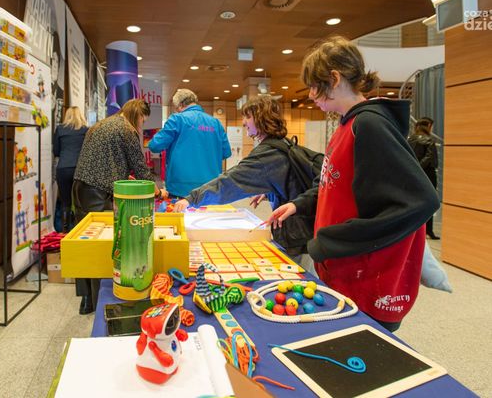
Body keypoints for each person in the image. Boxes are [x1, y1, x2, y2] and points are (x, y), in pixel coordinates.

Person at [267, 36, 440, 332]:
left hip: (368, 277)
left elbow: (421, 201)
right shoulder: (346, 124)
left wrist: (331, 241)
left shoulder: (370, 125)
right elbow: (332, 183)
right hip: (345, 270)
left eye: (314, 86)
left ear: (334, 79)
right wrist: (298, 204)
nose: (311, 95)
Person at [173, 95, 319, 261]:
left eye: (248, 117)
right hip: (303, 229)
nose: (243, 122)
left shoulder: (267, 154)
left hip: (296, 236)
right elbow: (288, 179)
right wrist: (270, 191)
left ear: (261, 118)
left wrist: (192, 198)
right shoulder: (282, 144)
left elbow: (230, 182)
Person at [72, 99, 167, 314]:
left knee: (85, 246)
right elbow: (141, 170)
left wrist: (124, 175)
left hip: (79, 189)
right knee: (102, 247)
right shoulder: (127, 129)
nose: (142, 124)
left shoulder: (102, 124)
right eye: (143, 120)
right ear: (138, 114)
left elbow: (106, 161)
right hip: (98, 195)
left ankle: (86, 300)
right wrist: (159, 192)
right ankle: (98, 302)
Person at [148, 89, 231, 198]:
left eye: (176, 108)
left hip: (180, 188)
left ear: (180, 105)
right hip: (211, 187)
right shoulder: (216, 123)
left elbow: (154, 145)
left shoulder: (177, 119)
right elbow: (226, 153)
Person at [52, 106, 88, 232]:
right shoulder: (86, 130)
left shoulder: (60, 129)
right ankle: (81, 230)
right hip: (80, 169)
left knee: (65, 202)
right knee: (81, 202)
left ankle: (65, 231)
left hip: (63, 168)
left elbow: (56, 151)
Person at [408, 117, 440, 240]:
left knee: (414, 202)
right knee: (430, 202)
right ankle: (428, 230)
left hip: (413, 174)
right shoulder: (429, 140)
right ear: (428, 126)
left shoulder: (410, 139)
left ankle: (414, 230)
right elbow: (430, 158)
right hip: (428, 174)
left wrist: (415, 168)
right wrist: (420, 167)